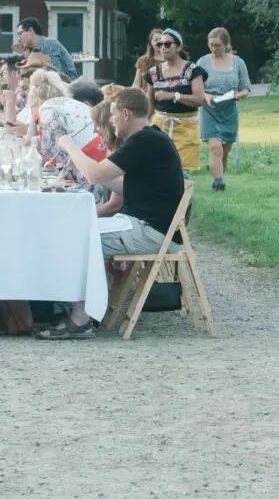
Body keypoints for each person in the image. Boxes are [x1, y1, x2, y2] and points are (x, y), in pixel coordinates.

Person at [48, 87, 184, 340]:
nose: (110, 121)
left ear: (126, 114)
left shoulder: (143, 141)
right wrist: (87, 174)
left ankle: (80, 319)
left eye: (112, 115)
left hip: (152, 231)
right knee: (80, 232)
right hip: (151, 227)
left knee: (81, 238)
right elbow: (124, 185)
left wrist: (70, 147)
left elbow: (95, 174)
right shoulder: (150, 139)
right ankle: (81, 310)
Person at [140, 28, 207, 170]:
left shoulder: (193, 70)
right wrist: (143, 124)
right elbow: (150, 103)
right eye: (160, 44)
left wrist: (174, 95)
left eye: (168, 44)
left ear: (179, 47)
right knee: (158, 168)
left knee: (181, 172)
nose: (163, 47)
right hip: (160, 126)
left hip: (186, 127)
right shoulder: (153, 73)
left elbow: (200, 99)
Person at [194, 27, 251, 192]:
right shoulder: (202, 62)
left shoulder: (238, 63)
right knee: (215, 148)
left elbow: (246, 87)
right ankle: (219, 184)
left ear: (226, 45)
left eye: (217, 45)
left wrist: (239, 95)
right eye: (211, 45)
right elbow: (196, 88)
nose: (213, 48)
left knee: (224, 152)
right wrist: (206, 95)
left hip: (229, 110)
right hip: (209, 109)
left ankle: (219, 178)